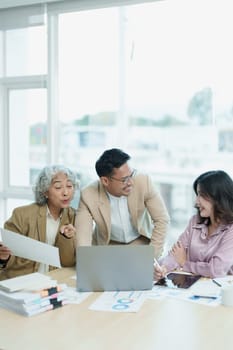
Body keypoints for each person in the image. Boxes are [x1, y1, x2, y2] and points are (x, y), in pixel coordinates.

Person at [75, 148, 170, 258]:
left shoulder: (144, 182)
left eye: (131, 175)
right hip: (108, 246)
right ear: (105, 181)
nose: (130, 182)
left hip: (140, 242)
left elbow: (162, 220)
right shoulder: (88, 194)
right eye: (124, 179)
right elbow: (83, 235)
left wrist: (151, 257)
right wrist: (86, 262)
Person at [0, 165, 79, 280]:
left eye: (69, 186)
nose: (66, 192)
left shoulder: (76, 217)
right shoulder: (21, 214)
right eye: (58, 187)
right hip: (23, 281)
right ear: (45, 192)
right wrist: (4, 257)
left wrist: (67, 238)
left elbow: (68, 262)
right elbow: (10, 257)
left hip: (56, 282)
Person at [154, 170, 233, 280]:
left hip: (219, 291)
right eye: (197, 195)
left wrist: (185, 263)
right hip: (190, 287)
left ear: (217, 198)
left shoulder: (231, 230)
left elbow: (216, 270)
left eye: (201, 195)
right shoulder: (194, 222)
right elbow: (175, 254)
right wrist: (163, 268)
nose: (196, 202)